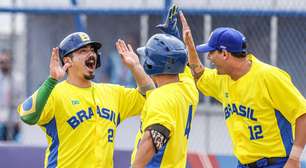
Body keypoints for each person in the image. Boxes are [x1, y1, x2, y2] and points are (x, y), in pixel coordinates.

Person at [179, 11, 306, 168]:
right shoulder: (223, 78)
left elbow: (302, 114)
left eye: (211, 52)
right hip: (244, 164)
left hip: (276, 163)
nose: (209, 58)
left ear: (225, 54)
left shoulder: (269, 77)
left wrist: (294, 158)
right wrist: (190, 47)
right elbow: (199, 74)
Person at [17, 32, 154, 168]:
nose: (91, 54)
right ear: (67, 60)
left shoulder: (112, 93)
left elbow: (150, 97)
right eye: (83, 51)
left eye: (93, 51)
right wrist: (51, 80)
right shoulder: (55, 93)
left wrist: (135, 67)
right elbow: (27, 115)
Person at [131, 5, 199, 167]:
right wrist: (174, 36)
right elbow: (184, 66)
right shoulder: (188, 89)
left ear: (152, 64)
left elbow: (153, 138)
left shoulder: (161, 97)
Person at [0, 50, 22, 141]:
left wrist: (19, 119)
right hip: (1, 119)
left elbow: (20, 100)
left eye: (6, 62)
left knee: (14, 147)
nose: (3, 65)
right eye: (1, 62)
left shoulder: (17, 79)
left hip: (13, 119)